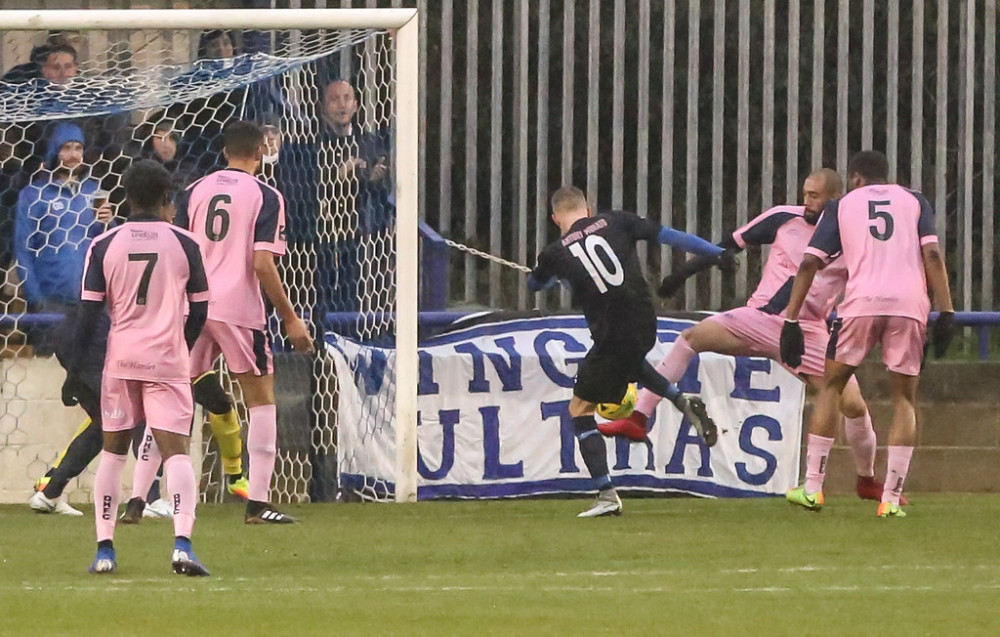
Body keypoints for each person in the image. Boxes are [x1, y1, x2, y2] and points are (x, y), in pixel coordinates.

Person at [601, 169, 895, 503]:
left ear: (834, 198)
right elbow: (726, 247)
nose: (806, 201)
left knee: (854, 406)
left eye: (814, 195)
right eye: (805, 193)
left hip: (806, 332)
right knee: (691, 338)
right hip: (758, 319)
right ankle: (639, 417)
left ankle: (867, 480)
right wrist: (680, 276)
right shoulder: (784, 218)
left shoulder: (853, 239)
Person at [527, 186, 722, 518]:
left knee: (579, 410)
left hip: (610, 333)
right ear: (588, 210)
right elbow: (671, 236)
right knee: (631, 363)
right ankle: (680, 400)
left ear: (555, 218)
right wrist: (716, 252)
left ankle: (606, 494)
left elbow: (535, 285)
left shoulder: (555, 252)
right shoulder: (617, 220)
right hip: (645, 321)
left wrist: (550, 276)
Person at [780, 151, 955, 518]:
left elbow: (810, 261)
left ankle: (813, 487)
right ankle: (890, 499)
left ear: (856, 178)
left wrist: (792, 319)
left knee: (832, 385)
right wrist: (947, 310)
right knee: (904, 399)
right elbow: (933, 255)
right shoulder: (915, 201)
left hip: (861, 303)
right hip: (909, 304)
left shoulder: (842, 205)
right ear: (886, 177)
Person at [67, 159, 211, 575]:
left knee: (112, 455)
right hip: (166, 361)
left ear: (126, 198)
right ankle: (182, 545)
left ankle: (105, 551)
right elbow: (199, 308)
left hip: (121, 360)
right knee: (177, 454)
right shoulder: (185, 244)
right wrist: (179, 347)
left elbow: (89, 314)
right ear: (168, 199)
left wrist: (76, 370)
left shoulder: (104, 243)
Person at [173, 120, 313, 524]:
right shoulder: (266, 195)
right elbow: (261, 263)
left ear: (224, 152)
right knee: (261, 401)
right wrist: (290, 319)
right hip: (238, 309)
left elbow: (179, 251)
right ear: (260, 152)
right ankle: (259, 503)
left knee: (173, 397)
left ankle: (146, 498)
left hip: (192, 307)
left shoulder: (194, 191)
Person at [14, 123, 112, 352]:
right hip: (52, 303)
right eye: (66, 148)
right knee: (52, 373)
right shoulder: (33, 195)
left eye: (78, 148)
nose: (73, 154)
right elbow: (22, 249)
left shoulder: (93, 191)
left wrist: (108, 223)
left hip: (92, 302)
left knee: (93, 369)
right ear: (54, 152)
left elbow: (105, 246)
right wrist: (37, 300)